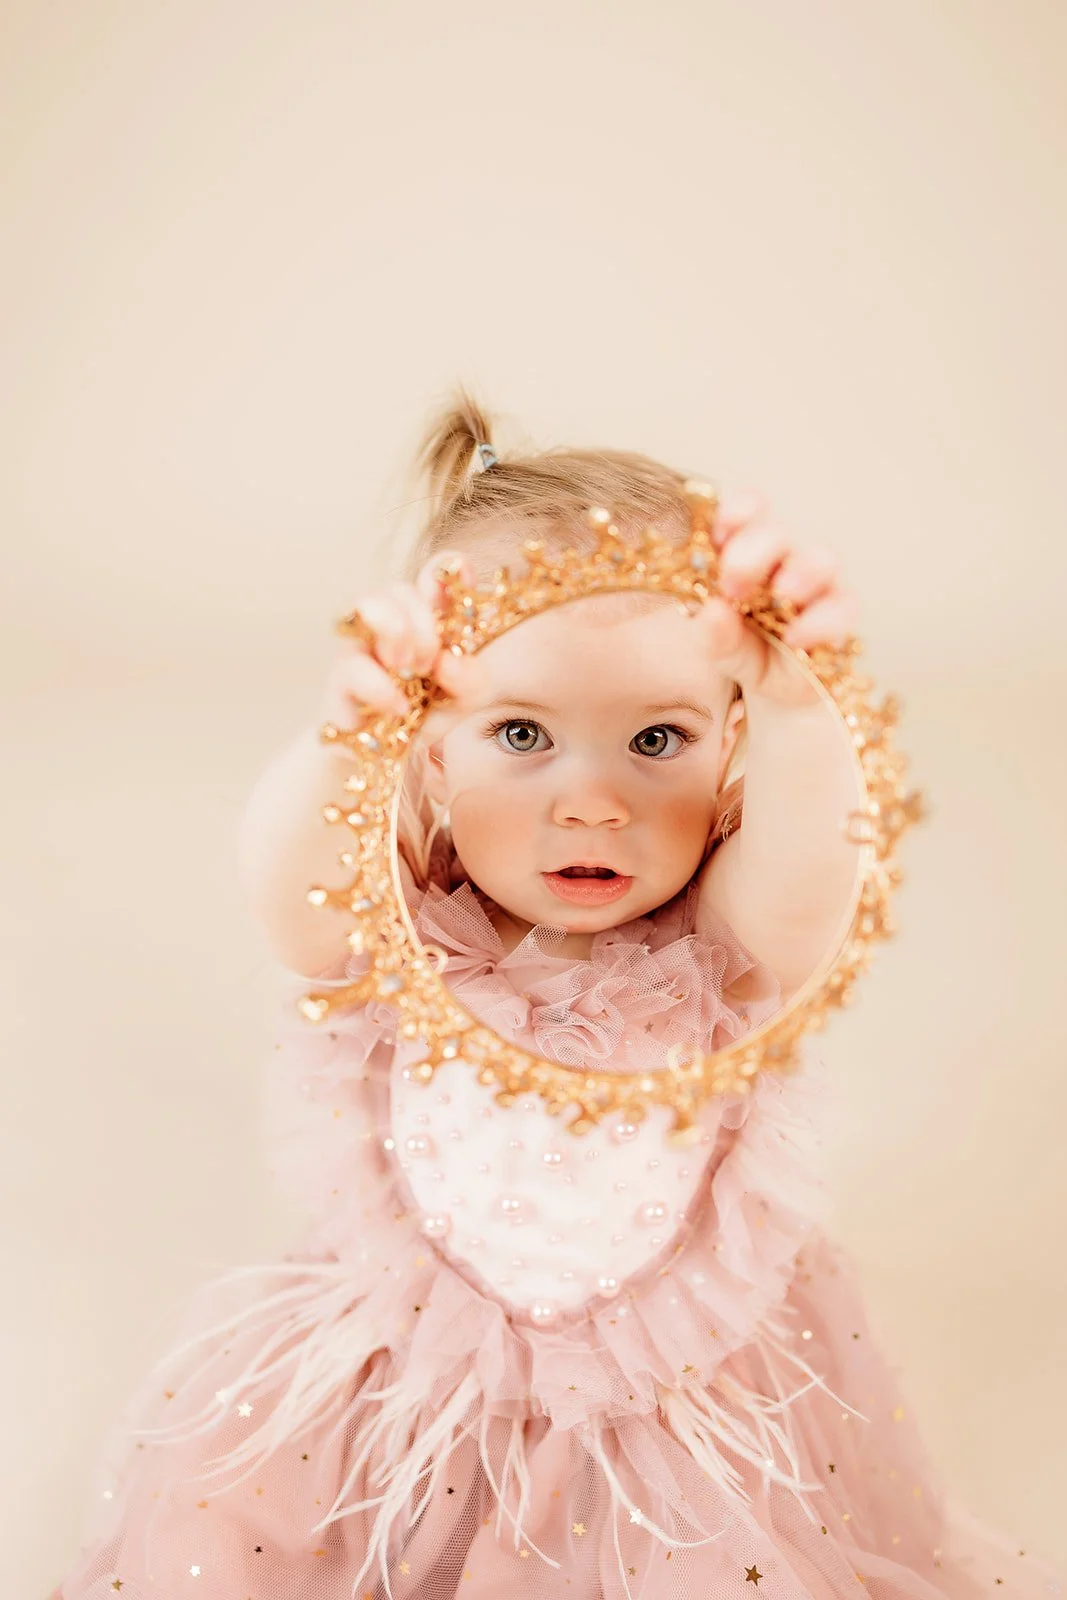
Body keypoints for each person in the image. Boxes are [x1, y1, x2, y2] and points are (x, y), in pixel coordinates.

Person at [53, 392, 1062, 1599]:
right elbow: (290, 895)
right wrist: (339, 743)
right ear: (430, 750)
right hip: (404, 1365)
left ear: (726, 747)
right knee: (241, 1512)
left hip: (671, 1393)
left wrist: (799, 704)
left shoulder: (719, 928)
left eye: (655, 741)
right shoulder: (406, 921)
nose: (592, 801)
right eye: (522, 733)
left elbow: (809, 896)